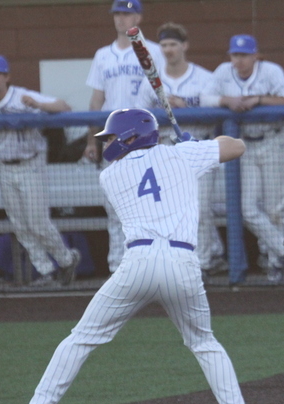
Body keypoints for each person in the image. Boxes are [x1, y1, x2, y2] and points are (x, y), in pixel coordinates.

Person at [0, 108, 258, 404]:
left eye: (111, 136)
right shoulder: (181, 154)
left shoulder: (111, 174)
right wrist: (197, 146)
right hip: (183, 263)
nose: (108, 143)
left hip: (137, 263)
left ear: (132, 136)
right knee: (204, 343)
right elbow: (237, 146)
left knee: (82, 337)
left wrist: (193, 150)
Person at [0, 55, 81, 286]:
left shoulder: (22, 95)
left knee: (38, 223)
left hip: (30, 163)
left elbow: (64, 106)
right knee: (20, 226)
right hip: (3, 165)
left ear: (7, 77)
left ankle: (66, 261)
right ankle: (46, 270)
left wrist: (38, 105)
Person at [200, 34, 284, 281]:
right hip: (246, 144)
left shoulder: (270, 71)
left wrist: (260, 100)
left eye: (245, 55)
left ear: (256, 55)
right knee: (247, 208)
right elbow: (205, 98)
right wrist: (226, 100)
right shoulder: (224, 71)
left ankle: (277, 262)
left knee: (275, 208)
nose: (240, 60)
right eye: (236, 55)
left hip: (274, 140)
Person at [136, 22, 226, 277]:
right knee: (173, 209)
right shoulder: (151, 80)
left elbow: (214, 118)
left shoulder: (204, 78)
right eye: (164, 45)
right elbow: (139, 116)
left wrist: (185, 107)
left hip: (198, 145)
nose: (168, 50)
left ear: (184, 46)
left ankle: (206, 261)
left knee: (202, 207)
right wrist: (162, 112)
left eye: (173, 44)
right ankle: (189, 258)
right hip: (165, 147)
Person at [82, 0, 165, 274]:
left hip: (144, 139)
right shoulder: (102, 55)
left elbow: (162, 94)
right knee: (113, 205)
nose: (121, 18)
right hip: (113, 139)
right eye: (117, 13)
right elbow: (95, 101)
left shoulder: (153, 51)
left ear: (138, 17)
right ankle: (117, 266)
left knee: (150, 205)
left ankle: (150, 264)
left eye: (127, 13)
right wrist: (90, 140)